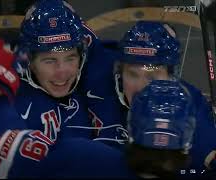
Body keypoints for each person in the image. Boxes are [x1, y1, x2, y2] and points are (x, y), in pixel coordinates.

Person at [0, 0, 127, 178]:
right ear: (28, 60)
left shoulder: (103, 81)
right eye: (49, 60)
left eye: (70, 58)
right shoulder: (7, 92)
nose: (62, 73)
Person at [83, 21, 216, 176]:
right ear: (119, 73)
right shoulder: (99, 74)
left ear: (171, 77)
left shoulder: (191, 111)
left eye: (152, 76)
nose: (141, 88)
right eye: (133, 74)